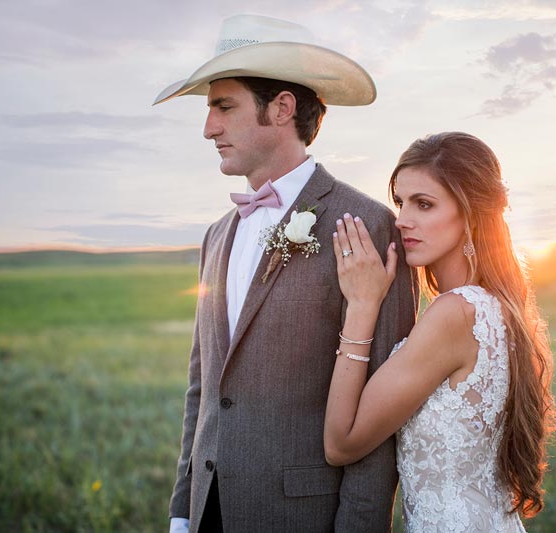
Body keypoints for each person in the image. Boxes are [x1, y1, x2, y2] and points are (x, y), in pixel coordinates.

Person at [154, 15, 418, 532]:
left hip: (301, 516)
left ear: (281, 108)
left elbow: (379, 409)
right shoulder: (216, 235)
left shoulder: (367, 223)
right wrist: (183, 511)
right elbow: (202, 387)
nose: (208, 127)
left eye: (223, 106)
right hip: (207, 511)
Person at [324, 132, 556, 532]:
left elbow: (341, 443)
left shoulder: (455, 313)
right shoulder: (498, 306)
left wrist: (362, 307)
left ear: (470, 213)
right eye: (401, 202)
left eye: (424, 204)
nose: (402, 220)